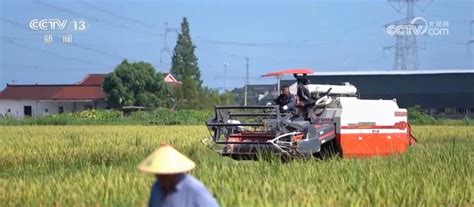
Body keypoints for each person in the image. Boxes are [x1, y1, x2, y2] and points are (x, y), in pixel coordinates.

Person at [138, 144, 219, 207]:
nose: (159, 176)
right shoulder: (156, 188)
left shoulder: (195, 189)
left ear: (173, 170)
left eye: (163, 173)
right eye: (158, 172)